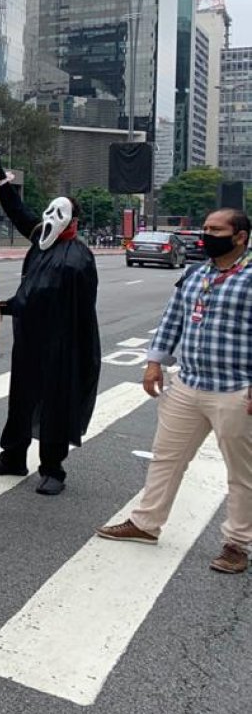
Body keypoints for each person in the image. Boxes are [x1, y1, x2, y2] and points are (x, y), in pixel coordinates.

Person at [97, 208, 252, 574]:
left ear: (240, 236)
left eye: (216, 229)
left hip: (235, 389)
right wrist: (154, 362)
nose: (207, 234)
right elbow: (173, 319)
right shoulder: (197, 272)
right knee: (166, 458)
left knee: (240, 472)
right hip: (189, 383)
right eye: (206, 227)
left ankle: (236, 543)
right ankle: (145, 523)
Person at [0, 149, 101, 495]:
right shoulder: (40, 240)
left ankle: (52, 467)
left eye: (57, 213)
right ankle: (13, 455)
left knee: (55, 403)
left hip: (62, 343)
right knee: (21, 397)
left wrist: (7, 307)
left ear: (72, 220)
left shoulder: (79, 258)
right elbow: (18, 213)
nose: (49, 217)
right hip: (31, 338)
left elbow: (71, 307)